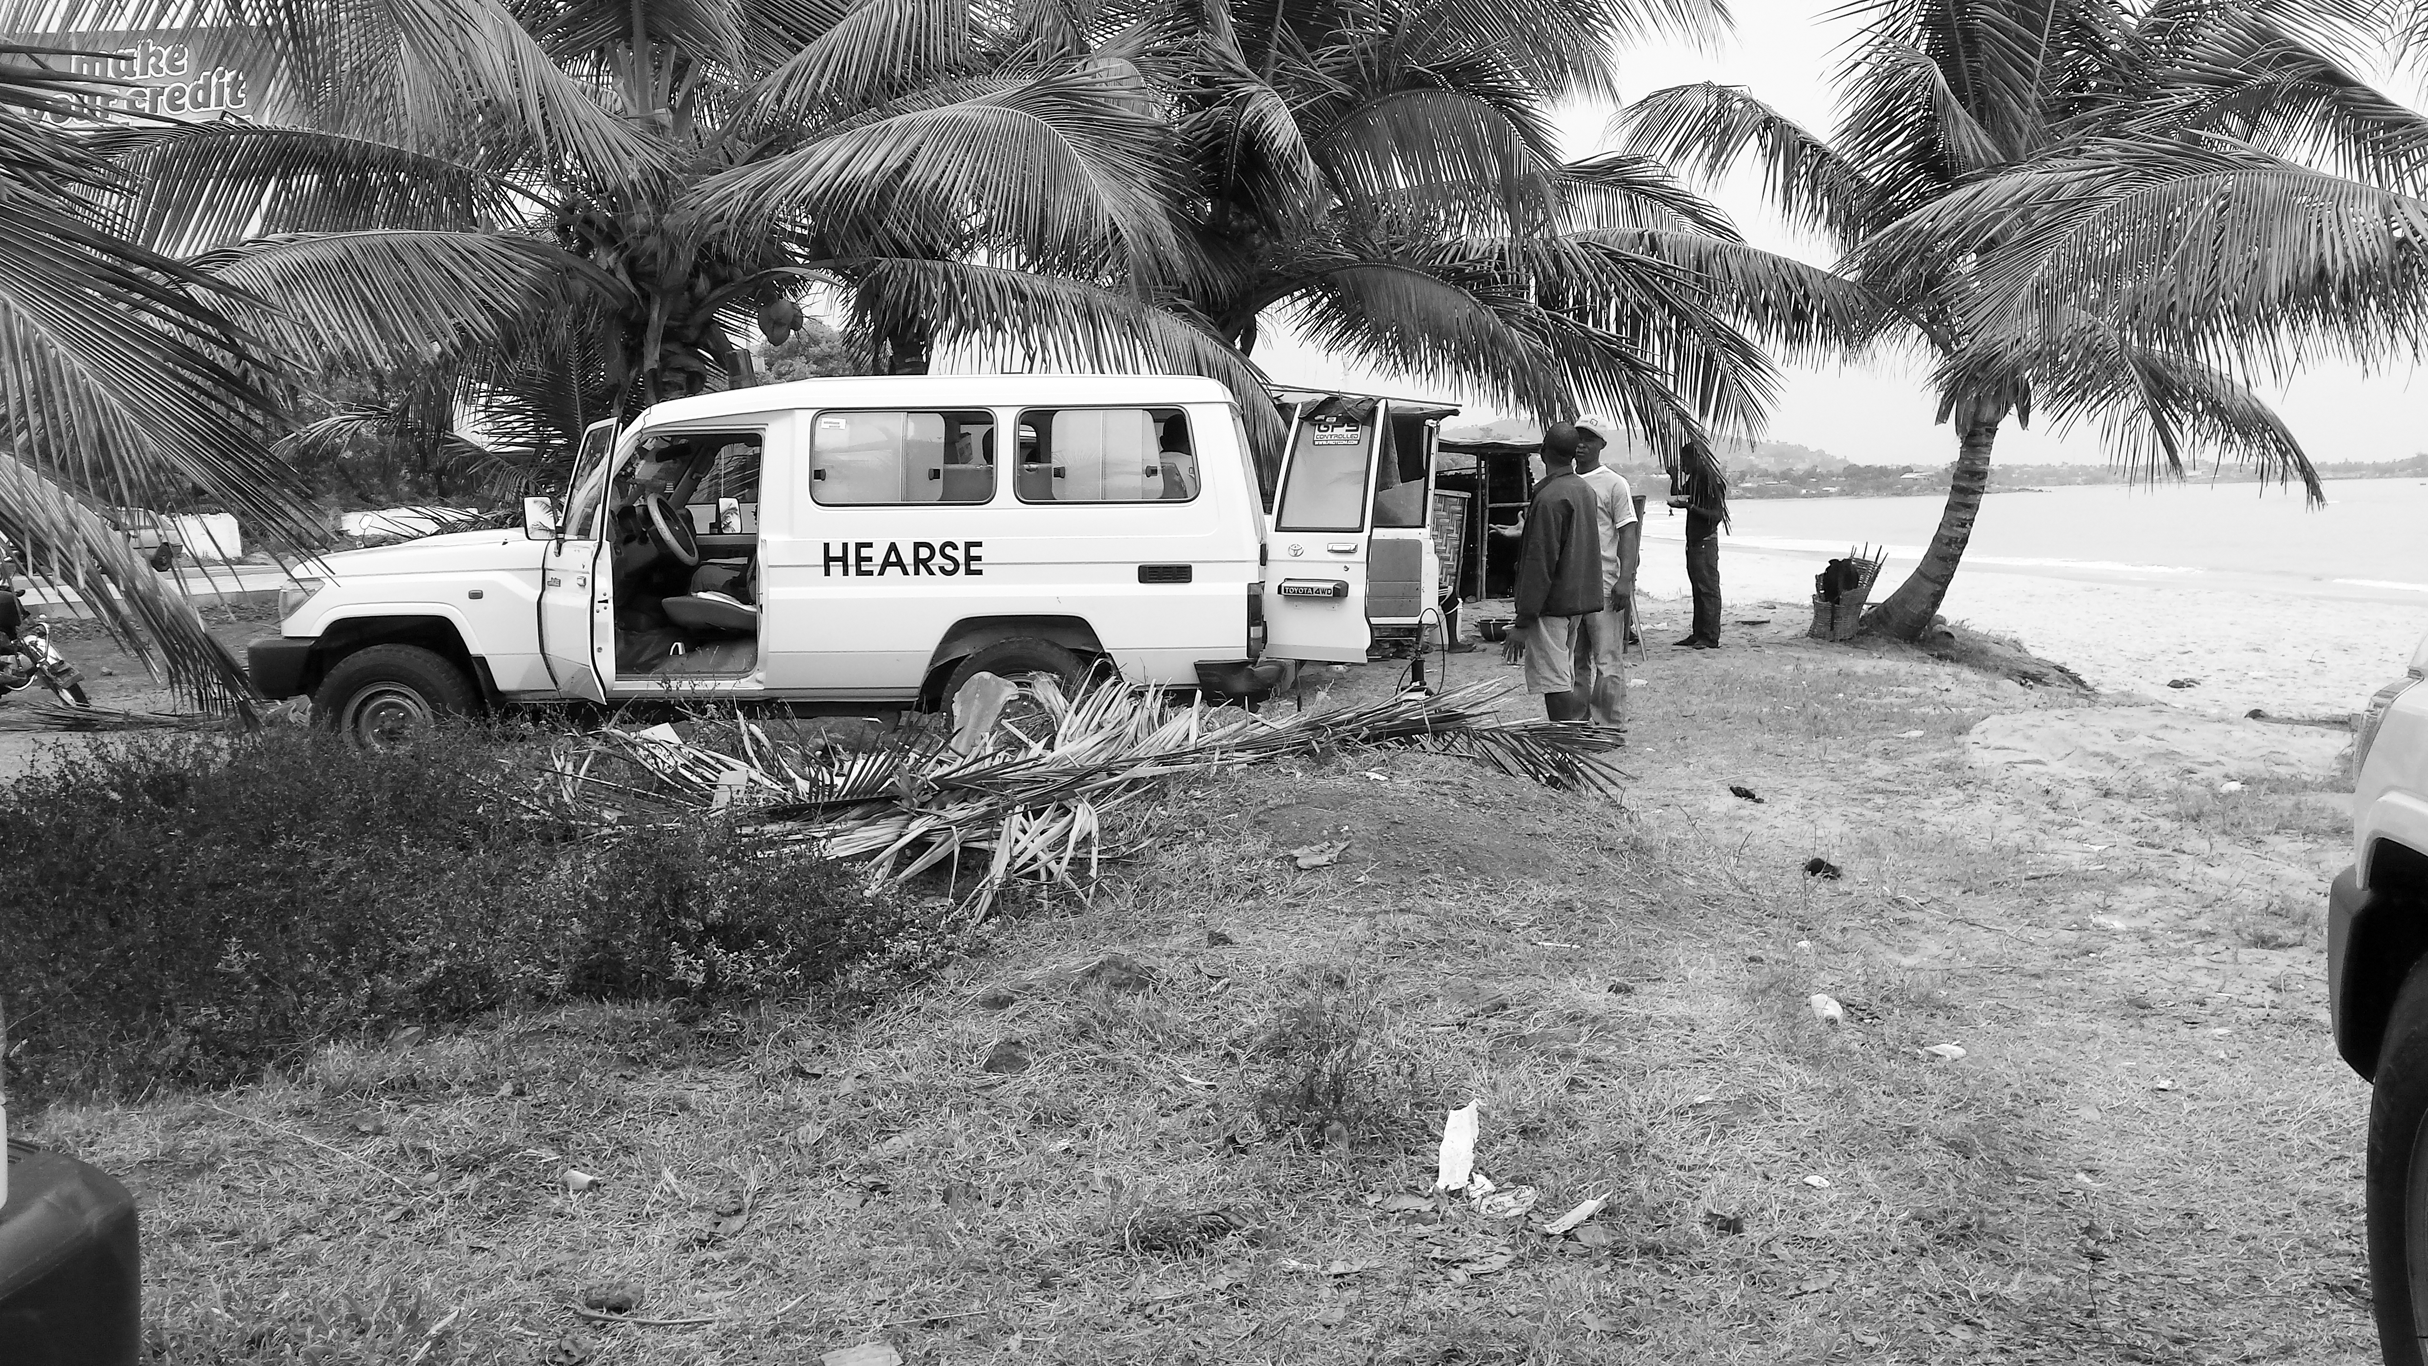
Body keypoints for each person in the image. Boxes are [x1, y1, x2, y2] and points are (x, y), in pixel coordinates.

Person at [1500, 424, 1602, 722]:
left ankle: (1565, 746)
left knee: (1554, 679)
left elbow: (1539, 564)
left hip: (1552, 604)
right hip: (1578, 599)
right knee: (1564, 671)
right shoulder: (1583, 489)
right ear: (1574, 454)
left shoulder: (1550, 498)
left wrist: (1523, 621)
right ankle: (1570, 737)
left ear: (1543, 452)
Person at [1570, 425, 1636, 727]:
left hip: (1605, 582)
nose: (1582, 445)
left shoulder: (1614, 484)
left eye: (1589, 440)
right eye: (1578, 439)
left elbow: (1627, 532)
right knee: (1574, 660)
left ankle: (1609, 724)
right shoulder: (1563, 481)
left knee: (1607, 659)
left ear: (1601, 444)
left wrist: (1625, 579)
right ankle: (1577, 721)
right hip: (1570, 584)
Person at [1668, 438, 1730, 649]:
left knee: (1707, 589)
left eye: (1685, 461)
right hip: (1695, 541)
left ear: (1695, 459)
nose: (1683, 465)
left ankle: (1710, 636)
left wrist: (1690, 507)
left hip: (1704, 542)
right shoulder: (1695, 478)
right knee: (1698, 588)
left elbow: (1716, 515)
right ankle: (1699, 633)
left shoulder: (1711, 481)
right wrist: (1674, 477)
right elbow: (1679, 496)